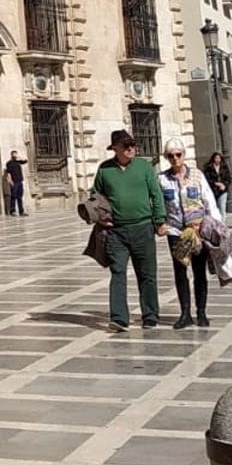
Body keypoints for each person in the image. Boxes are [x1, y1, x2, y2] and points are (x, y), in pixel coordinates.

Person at [91, 129, 166, 333]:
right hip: (117, 231)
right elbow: (95, 196)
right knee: (118, 272)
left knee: (147, 274)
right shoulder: (105, 170)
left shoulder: (144, 167)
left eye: (132, 144)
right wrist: (100, 218)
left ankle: (150, 315)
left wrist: (159, 220)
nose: (130, 149)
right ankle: (119, 318)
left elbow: (156, 194)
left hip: (143, 228)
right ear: (115, 148)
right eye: (125, 146)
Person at [160, 143, 216, 329]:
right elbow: (157, 204)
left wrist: (215, 225)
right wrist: (159, 224)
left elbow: (209, 201)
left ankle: (201, 312)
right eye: (171, 156)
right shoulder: (162, 179)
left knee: (199, 271)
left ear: (184, 155)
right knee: (180, 271)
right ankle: (185, 313)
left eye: (178, 154)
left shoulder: (197, 175)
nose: (175, 159)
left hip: (197, 230)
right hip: (175, 230)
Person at [2, 150, 27, 216]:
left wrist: (19, 156)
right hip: (14, 182)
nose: (15, 155)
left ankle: (21, 211)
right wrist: (10, 181)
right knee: (13, 196)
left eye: (16, 154)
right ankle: (12, 211)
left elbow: (25, 160)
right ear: (11, 155)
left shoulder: (18, 162)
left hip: (20, 181)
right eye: (14, 154)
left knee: (20, 196)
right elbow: (8, 173)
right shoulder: (9, 163)